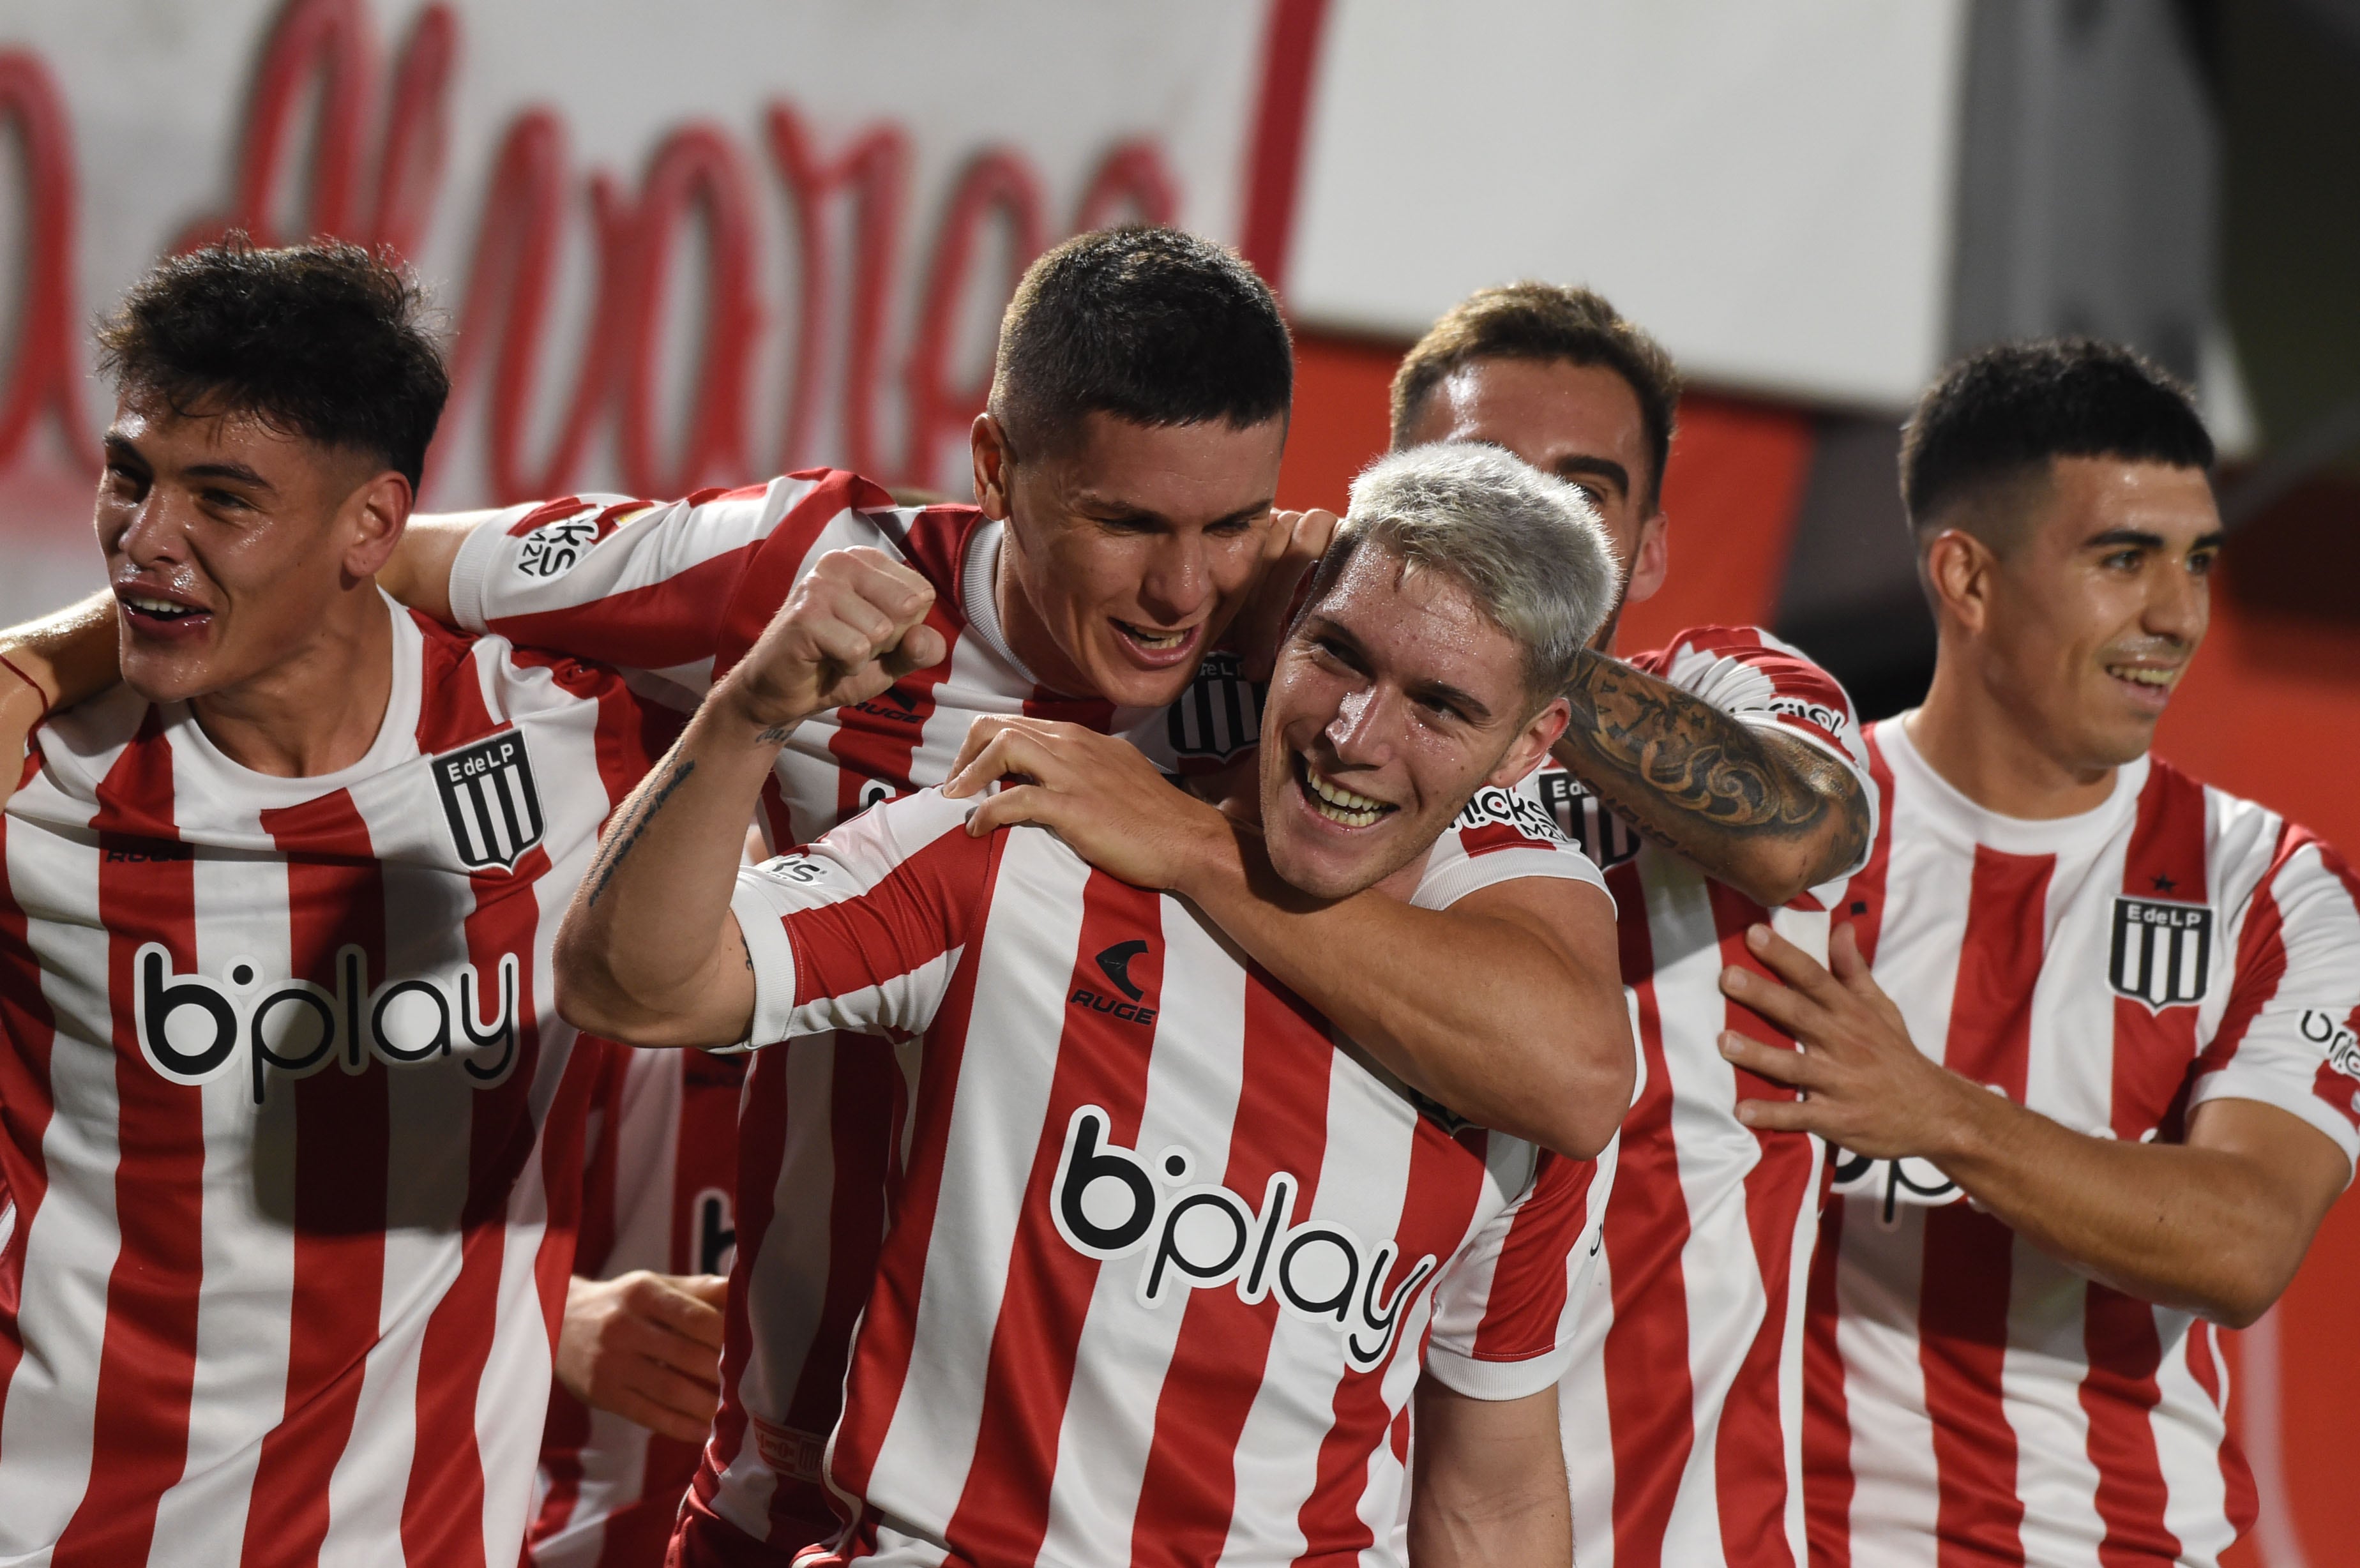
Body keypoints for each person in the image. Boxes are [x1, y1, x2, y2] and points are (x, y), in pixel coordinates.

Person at [554, 442, 1633, 1568]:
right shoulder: (1036, 840)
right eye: (1336, 654)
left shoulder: (1509, 1071)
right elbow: (628, 980)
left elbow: (1491, 1499)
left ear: (1529, 747)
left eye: (1440, 707)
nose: (1355, 738)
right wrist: (746, 717)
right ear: (1286, 625)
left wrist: (1195, 853)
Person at [0, 238, 671, 1564]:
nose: (147, 543)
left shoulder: (573, 739)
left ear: (374, 525)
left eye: (223, 499)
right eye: (128, 477)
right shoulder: (32, 776)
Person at [1716, 339, 2360, 1567]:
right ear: (1966, 576)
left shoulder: (2279, 890)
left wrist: (1938, 1114)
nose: (2177, 616)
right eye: (2124, 559)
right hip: (1778, 1540)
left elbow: (2244, 1242)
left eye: (2197, 561)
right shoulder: (1776, 834)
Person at [1391, 282, 1876, 1567]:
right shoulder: (1311, 721)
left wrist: (1505, 643)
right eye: (1481, 481)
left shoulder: (1729, 687)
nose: (1531, 527)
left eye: (1583, 494)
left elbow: (1796, 828)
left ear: (1650, 545)